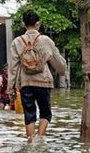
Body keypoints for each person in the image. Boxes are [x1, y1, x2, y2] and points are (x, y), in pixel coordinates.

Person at [9, 9, 66, 139]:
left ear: (23, 24)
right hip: (44, 81)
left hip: (25, 83)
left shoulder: (17, 42)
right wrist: (62, 72)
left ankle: (31, 140)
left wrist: (11, 87)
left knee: (29, 113)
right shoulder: (46, 40)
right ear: (38, 24)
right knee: (46, 113)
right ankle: (39, 138)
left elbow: (13, 67)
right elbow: (57, 60)